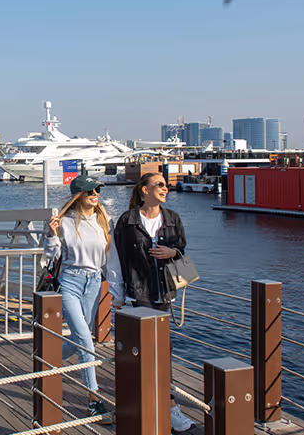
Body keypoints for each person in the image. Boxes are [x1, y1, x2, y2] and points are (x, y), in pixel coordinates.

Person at [113, 172, 194, 433]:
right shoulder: (127, 221)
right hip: (138, 295)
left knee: (162, 351)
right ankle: (148, 406)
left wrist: (174, 252)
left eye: (165, 185)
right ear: (145, 190)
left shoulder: (172, 218)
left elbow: (182, 250)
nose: (165, 188)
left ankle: (167, 407)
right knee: (143, 352)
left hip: (165, 295)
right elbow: (117, 259)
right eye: (159, 184)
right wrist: (118, 295)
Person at [44, 175, 124, 425]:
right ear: (79, 195)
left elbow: (112, 259)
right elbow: (50, 255)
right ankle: (93, 399)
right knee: (86, 341)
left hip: (94, 283)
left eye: (97, 189)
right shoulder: (65, 222)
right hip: (70, 281)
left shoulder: (104, 221)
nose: (96, 193)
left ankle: (51, 357)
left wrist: (116, 290)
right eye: (90, 190)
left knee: (82, 335)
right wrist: (50, 234)